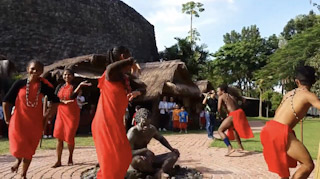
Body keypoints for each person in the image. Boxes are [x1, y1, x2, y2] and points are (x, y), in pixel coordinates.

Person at [92, 47, 145, 178]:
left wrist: (138, 92)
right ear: (123, 57)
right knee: (112, 162)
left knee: (125, 157)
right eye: (128, 56)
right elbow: (110, 68)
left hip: (115, 123)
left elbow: (144, 88)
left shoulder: (124, 78)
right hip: (104, 123)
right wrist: (132, 61)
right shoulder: (111, 74)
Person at [2, 60, 59, 178]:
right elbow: (6, 102)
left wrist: (48, 114)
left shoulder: (43, 86)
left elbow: (56, 101)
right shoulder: (19, 84)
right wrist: (7, 119)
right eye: (33, 69)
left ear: (42, 71)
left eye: (38, 70)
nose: (35, 72)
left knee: (30, 148)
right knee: (18, 145)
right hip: (18, 121)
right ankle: (18, 161)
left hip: (35, 122)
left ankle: (23, 174)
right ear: (28, 69)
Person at [261, 66, 319, 179]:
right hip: (280, 132)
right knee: (308, 165)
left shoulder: (288, 94)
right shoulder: (309, 95)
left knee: (284, 169)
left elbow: (278, 112)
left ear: (297, 81)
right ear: (313, 81)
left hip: (269, 129)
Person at [52, 69, 92, 168]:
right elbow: (55, 99)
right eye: (65, 75)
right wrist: (62, 102)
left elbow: (72, 96)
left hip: (72, 114)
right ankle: (58, 160)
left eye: (69, 75)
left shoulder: (74, 86)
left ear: (73, 76)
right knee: (59, 137)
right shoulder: (59, 86)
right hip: (61, 113)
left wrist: (80, 86)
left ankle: (70, 157)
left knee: (69, 136)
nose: (67, 76)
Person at [127, 108, 180, 178]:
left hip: (149, 158)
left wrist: (172, 149)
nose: (146, 127)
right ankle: (155, 172)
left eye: (148, 124)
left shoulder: (151, 129)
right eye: (143, 124)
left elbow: (161, 139)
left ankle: (160, 171)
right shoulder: (133, 132)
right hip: (137, 158)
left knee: (173, 155)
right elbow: (127, 153)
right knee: (138, 161)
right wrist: (144, 150)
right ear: (138, 121)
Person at [217, 84, 254, 156]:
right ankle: (240, 147)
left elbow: (219, 108)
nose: (217, 93)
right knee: (234, 129)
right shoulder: (232, 95)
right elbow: (242, 101)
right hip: (239, 112)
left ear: (222, 91)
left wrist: (222, 116)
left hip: (233, 114)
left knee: (220, 130)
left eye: (218, 91)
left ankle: (230, 148)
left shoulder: (221, 97)